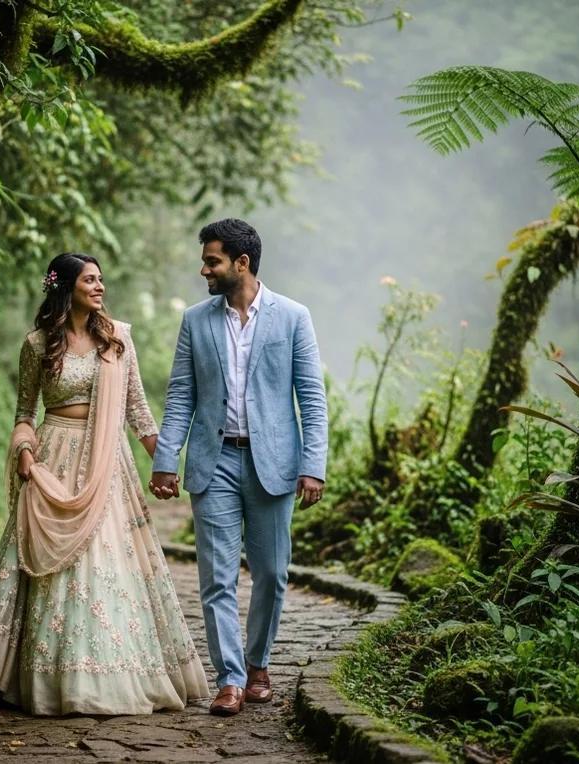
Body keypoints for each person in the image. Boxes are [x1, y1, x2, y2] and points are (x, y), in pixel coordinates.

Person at [0, 252, 209, 715]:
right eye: (90, 280)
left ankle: (109, 675)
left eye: (101, 279)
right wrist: (25, 454)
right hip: (53, 461)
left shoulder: (118, 339)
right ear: (66, 288)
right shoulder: (37, 344)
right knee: (53, 568)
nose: (100, 287)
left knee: (107, 563)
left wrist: (165, 462)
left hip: (108, 463)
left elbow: (137, 410)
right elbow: (25, 414)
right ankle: (49, 678)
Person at [149, 218, 329, 717]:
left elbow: (311, 399)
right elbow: (181, 394)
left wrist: (312, 466)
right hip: (215, 461)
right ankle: (229, 678)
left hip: (274, 464)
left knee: (271, 573)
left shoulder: (293, 317)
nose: (203, 269)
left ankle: (258, 664)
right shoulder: (196, 320)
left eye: (212, 261)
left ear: (241, 263)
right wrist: (167, 460)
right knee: (217, 578)